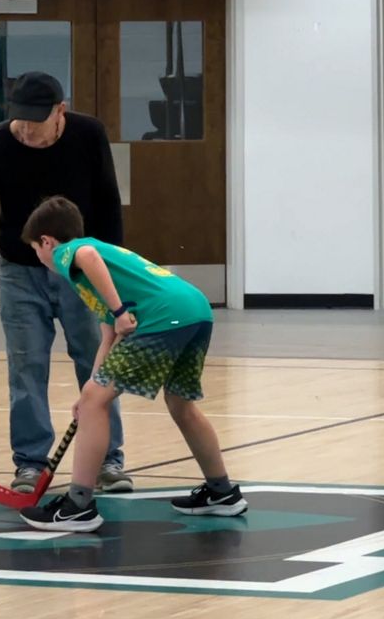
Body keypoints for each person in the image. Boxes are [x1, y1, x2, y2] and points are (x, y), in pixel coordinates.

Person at [0, 71, 132, 494]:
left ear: (60, 111)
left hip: (81, 270)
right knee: (26, 366)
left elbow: (108, 200)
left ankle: (108, 460)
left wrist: (113, 269)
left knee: (96, 363)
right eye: (21, 119)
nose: (27, 129)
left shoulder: (88, 135)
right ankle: (30, 463)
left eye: (37, 120)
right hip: (19, 270)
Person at [15, 196, 247, 532]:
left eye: (36, 249)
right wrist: (88, 391)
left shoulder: (72, 251)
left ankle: (77, 506)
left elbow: (88, 257)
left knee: (97, 400)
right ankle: (222, 492)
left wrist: (121, 312)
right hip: (195, 310)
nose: (38, 257)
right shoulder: (102, 272)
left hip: (166, 316)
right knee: (178, 404)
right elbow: (109, 336)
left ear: (47, 241)